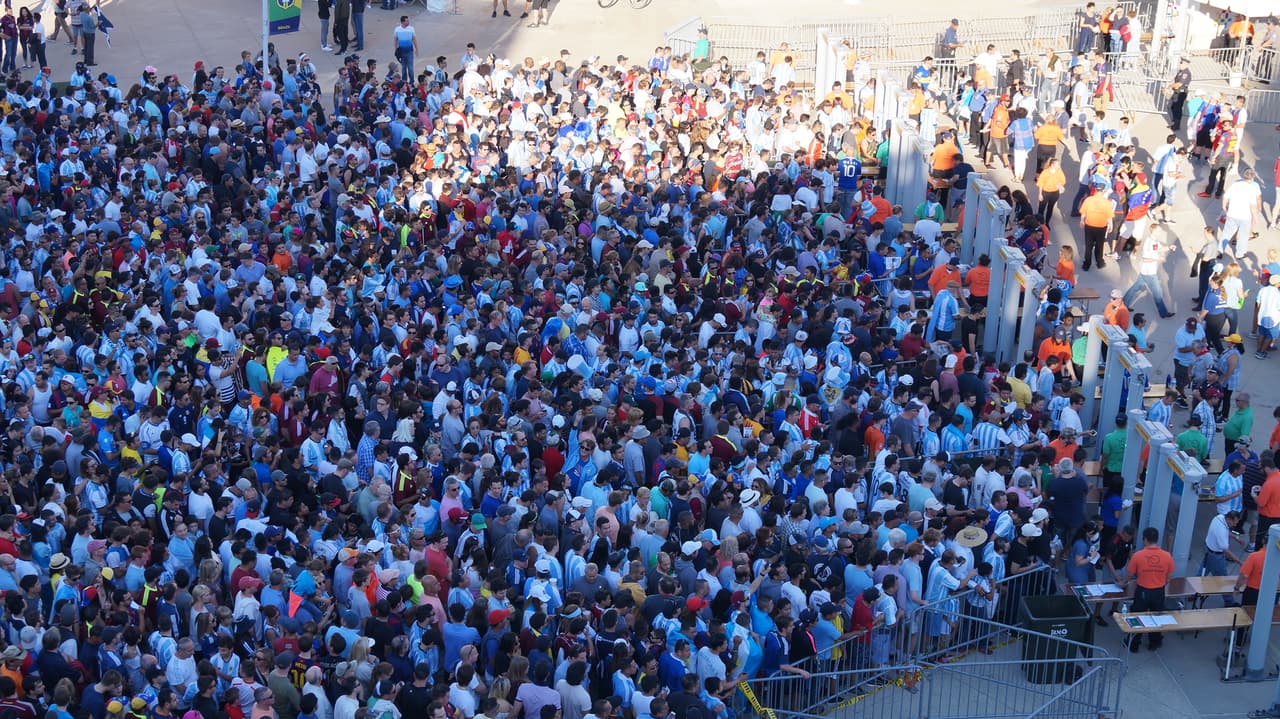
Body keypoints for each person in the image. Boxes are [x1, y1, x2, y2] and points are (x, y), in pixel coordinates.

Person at [1124, 527, 1175, 652]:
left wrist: (1123, 582)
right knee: (1156, 618)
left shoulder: (1138, 556)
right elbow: (1169, 577)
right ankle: (1154, 642)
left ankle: (1134, 644)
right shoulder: (1167, 556)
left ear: (1145, 539)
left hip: (1142, 591)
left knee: (1137, 617)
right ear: (1157, 539)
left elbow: (1129, 575)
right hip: (1158, 592)